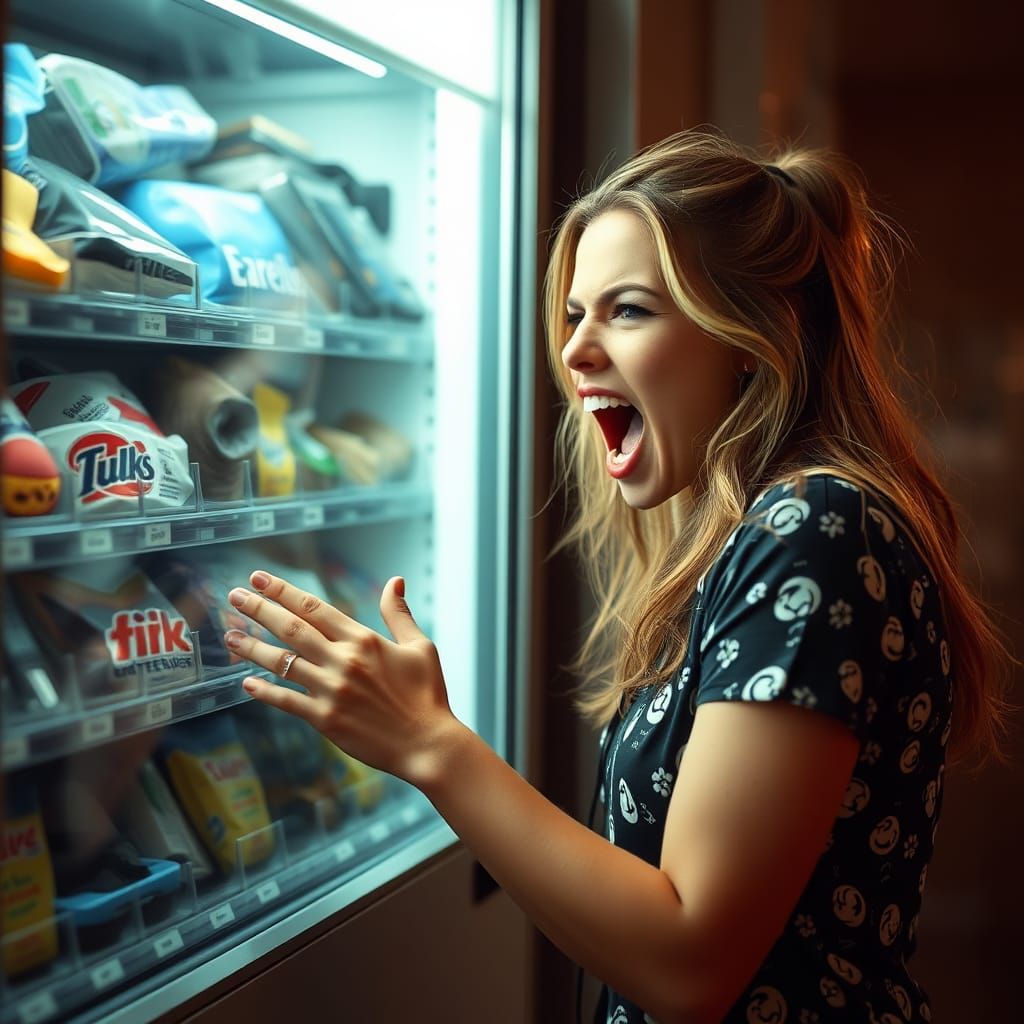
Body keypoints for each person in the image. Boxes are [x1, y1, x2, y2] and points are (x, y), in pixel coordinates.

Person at [222, 129, 1011, 1023]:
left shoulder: (812, 530)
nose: (576, 352)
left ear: (751, 333)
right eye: (574, 316)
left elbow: (690, 962)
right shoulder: (766, 531)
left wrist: (429, 745)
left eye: (628, 311)